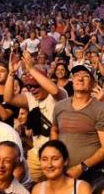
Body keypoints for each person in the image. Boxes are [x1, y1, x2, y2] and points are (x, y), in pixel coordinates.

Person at [4, 52, 67, 182]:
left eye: (35, 86)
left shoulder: (58, 95)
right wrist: (11, 73)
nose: (32, 90)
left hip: (57, 154)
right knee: (33, 191)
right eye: (29, 86)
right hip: (37, 154)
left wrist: (31, 68)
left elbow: (54, 90)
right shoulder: (30, 98)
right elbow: (8, 98)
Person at [51, 65, 104, 185]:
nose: (80, 79)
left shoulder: (101, 109)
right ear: (72, 81)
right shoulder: (60, 106)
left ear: (93, 84)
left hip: (92, 174)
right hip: (62, 172)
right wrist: (55, 153)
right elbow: (54, 130)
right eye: (76, 76)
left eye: (85, 76)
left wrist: (82, 167)